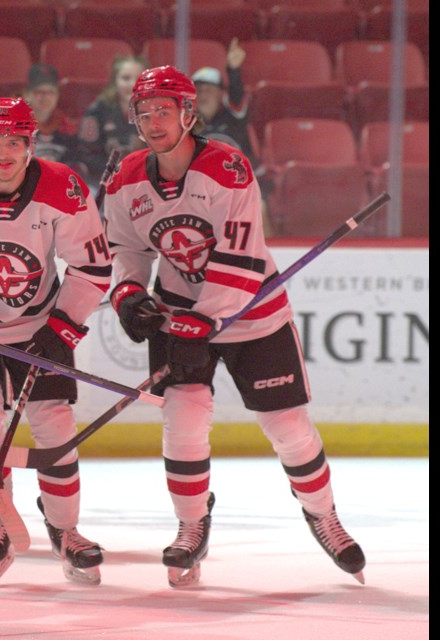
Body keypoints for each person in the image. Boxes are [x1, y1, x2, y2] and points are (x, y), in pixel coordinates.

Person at [101, 65, 366, 589]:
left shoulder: (228, 168)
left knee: (287, 426)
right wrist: (128, 294)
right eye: (144, 112)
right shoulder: (126, 177)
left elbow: (239, 258)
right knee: (184, 416)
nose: (153, 122)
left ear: (187, 113)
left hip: (251, 312)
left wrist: (205, 322)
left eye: (163, 110)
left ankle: (323, 514)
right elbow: (124, 250)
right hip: (179, 313)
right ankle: (191, 524)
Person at [0, 96, 111, 585]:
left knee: (54, 424)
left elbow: (93, 268)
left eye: (14, 141)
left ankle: (66, 529)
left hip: (37, 325)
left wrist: (62, 327)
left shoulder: (63, 186)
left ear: (31, 144)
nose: (4, 152)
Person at [191, 38, 276, 237]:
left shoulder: (234, 117)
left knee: (260, 209)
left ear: (221, 94)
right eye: (199, 90)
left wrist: (233, 70)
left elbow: (237, 96)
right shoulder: (187, 124)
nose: (204, 95)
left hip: (242, 187)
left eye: (209, 90)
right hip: (203, 193)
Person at [78, 55, 149, 203]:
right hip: (103, 180)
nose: (132, 84)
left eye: (138, 79)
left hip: (143, 179)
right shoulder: (97, 111)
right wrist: (114, 174)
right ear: (114, 81)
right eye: (125, 78)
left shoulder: (154, 109)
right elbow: (87, 153)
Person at [21, 63, 90, 187]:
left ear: (57, 95)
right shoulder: (15, 128)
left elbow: (78, 166)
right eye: (39, 92)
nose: (45, 98)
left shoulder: (68, 128)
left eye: (51, 92)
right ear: (27, 94)